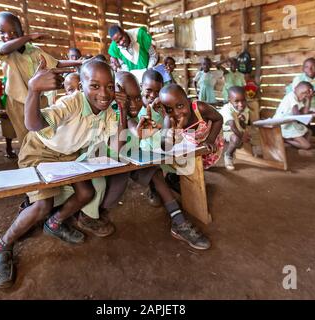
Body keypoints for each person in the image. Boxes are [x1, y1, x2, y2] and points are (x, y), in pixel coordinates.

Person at [0, 59, 127, 288]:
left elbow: (119, 147)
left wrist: (122, 110)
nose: (104, 93)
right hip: (40, 151)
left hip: (68, 155)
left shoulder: (109, 112)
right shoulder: (71, 102)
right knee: (42, 205)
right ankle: (2, 246)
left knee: (86, 193)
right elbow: (33, 124)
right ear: (82, 86)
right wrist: (33, 89)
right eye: (95, 86)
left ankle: (54, 223)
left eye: (110, 86)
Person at [100, 72, 212, 251]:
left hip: (138, 160)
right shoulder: (110, 112)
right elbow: (120, 145)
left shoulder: (149, 112)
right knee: (104, 204)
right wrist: (122, 110)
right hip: (111, 165)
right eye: (129, 99)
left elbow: (152, 140)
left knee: (156, 173)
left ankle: (179, 221)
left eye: (137, 97)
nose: (136, 103)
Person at [0, 11, 84, 143]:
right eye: (2, 32)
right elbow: (5, 49)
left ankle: (44, 158)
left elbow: (56, 63)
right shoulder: (0, 46)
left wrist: (79, 62)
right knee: (25, 137)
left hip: (38, 98)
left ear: (21, 31)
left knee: (44, 132)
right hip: (17, 101)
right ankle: (28, 161)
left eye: (13, 32)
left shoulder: (34, 50)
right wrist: (29, 37)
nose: (7, 36)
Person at [159, 84, 224, 170]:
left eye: (180, 106)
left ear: (188, 101)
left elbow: (218, 119)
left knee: (207, 157)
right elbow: (164, 147)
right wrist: (168, 139)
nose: (176, 113)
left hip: (212, 136)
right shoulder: (169, 120)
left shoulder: (200, 108)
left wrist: (210, 140)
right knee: (194, 164)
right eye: (169, 110)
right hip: (194, 142)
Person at [274, 81, 314, 150]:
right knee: (307, 146)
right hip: (282, 125)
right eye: (303, 93)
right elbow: (297, 115)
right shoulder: (291, 96)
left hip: (290, 124)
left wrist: (308, 100)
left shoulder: (299, 100)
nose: (304, 95)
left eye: (306, 94)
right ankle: (287, 140)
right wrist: (305, 117)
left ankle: (294, 145)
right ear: (295, 89)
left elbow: (304, 113)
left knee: (309, 132)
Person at [219, 86, 251, 171]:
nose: (241, 104)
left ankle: (245, 149)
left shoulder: (245, 109)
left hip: (237, 129)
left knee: (250, 135)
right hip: (224, 131)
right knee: (236, 139)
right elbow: (232, 126)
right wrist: (242, 137)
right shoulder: (227, 109)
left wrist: (242, 122)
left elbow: (244, 126)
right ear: (230, 100)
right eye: (236, 101)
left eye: (243, 100)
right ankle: (228, 155)